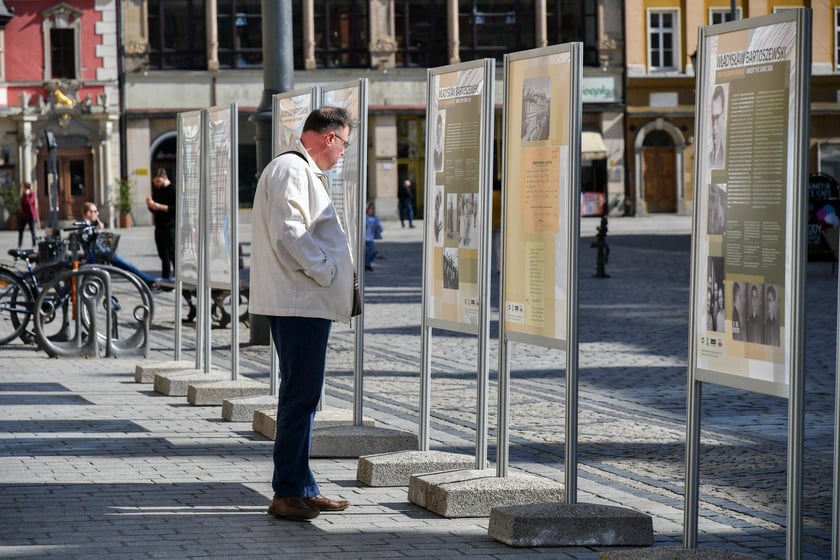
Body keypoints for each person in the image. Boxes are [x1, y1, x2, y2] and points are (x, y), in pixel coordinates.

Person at [249, 106, 355, 522]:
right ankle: (288, 491)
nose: (344, 152)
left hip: (302, 300)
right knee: (300, 395)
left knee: (303, 395)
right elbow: (290, 232)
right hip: (299, 301)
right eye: (344, 143)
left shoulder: (297, 169)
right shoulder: (292, 170)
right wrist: (326, 269)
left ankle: (301, 486)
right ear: (329, 138)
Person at [80, 202, 159, 291]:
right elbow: (90, 241)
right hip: (99, 256)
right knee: (128, 267)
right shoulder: (83, 225)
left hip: (102, 254)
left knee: (128, 267)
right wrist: (98, 231)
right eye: (95, 211)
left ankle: (149, 281)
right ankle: (150, 281)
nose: (97, 213)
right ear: (88, 213)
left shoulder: (90, 224)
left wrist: (99, 230)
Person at [146, 168, 176, 282]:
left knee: (172, 254)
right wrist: (150, 205)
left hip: (171, 227)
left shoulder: (173, 189)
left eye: (158, 181)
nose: (156, 184)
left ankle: (178, 278)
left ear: (164, 178)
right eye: (154, 182)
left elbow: (176, 209)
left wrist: (159, 206)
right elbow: (154, 210)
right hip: (159, 227)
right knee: (163, 255)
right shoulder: (157, 190)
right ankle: (166, 278)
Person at [710, 85, 727, 169]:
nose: (714, 127)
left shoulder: (726, 159)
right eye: (713, 118)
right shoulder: (708, 157)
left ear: (723, 115)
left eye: (717, 118)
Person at [17, 182, 38, 249]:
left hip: (31, 216)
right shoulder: (23, 194)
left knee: (33, 232)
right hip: (24, 215)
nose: (22, 188)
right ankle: (19, 245)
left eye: (23, 187)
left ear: (26, 187)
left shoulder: (32, 194)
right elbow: (22, 204)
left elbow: (29, 203)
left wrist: (26, 195)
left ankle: (34, 245)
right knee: (20, 231)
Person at [364, 201, 383, 272]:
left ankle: (367, 264)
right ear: (367, 209)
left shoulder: (375, 218)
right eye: (371, 208)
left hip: (370, 238)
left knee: (372, 252)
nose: (372, 210)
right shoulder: (365, 217)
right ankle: (367, 265)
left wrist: (378, 227)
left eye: (373, 208)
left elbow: (381, 228)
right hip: (365, 238)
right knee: (371, 251)